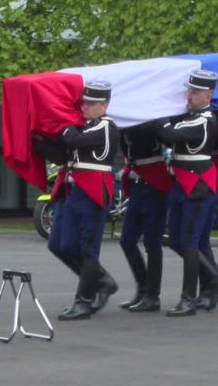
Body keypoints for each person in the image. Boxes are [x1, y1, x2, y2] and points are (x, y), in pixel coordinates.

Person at [34, 81, 120, 320]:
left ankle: (84, 301)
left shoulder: (106, 126)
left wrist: (62, 123)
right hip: (74, 191)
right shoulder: (84, 127)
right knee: (59, 244)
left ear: (104, 105)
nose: (85, 106)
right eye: (84, 102)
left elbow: (72, 141)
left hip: (92, 192)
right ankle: (101, 280)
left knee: (87, 249)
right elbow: (63, 154)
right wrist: (38, 143)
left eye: (91, 103)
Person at [155, 69, 218, 317]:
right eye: (189, 90)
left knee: (190, 242)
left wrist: (157, 113)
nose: (189, 96)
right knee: (176, 241)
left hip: (198, 186)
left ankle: (188, 299)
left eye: (195, 92)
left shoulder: (204, 120)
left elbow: (170, 134)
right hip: (182, 184)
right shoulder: (189, 116)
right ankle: (216, 277)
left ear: (209, 95)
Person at [118, 122, 171, 312]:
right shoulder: (128, 123)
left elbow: (161, 138)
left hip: (154, 183)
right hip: (137, 183)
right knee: (127, 240)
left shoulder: (152, 120)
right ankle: (143, 288)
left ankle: (152, 295)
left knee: (152, 242)